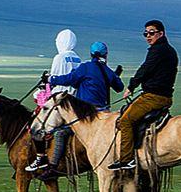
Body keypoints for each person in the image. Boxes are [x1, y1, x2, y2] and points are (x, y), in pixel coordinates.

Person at [26, 41, 123, 174]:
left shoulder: (86, 67)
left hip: (85, 113)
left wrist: (50, 79)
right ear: (106, 55)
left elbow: (69, 79)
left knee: (61, 132)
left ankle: (53, 166)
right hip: (104, 113)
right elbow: (120, 87)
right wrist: (114, 76)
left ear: (91, 54)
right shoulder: (107, 71)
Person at [108, 19, 177, 172]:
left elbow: (145, 69)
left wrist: (131, 86)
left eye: (151, 33)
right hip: (162, 95)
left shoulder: (158, 50)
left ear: (161, 33)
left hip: (153, 97)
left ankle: (127, 159)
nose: (148, 36)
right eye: (145, 33)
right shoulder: (169, 50)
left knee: (125, 120)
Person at [28, 29, 83, 173]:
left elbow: (54, 79)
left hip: (59, 99)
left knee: (36, 124)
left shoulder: (59, 58)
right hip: (74, 100)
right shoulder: (77, 58)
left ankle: (41, 157)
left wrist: (43, 89)